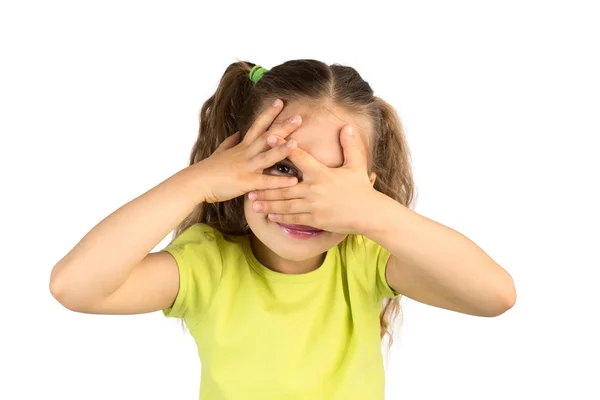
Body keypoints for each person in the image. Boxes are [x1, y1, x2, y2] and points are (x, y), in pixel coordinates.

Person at [49, 59, 517, 399]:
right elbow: (75, 287)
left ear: (367, 190)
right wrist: (195, 183)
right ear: (236, 169)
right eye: (282, 168)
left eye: (335, 178)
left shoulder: (365, 256)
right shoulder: (208, 265)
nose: (308, 199)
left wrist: (372, 213)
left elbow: (494, 296)